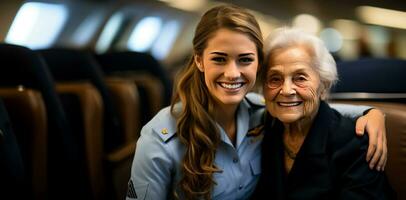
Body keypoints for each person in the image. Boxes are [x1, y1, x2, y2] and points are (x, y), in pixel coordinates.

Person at [127, 5, 387, 200]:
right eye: (219, 59)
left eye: (245, 59)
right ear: (198, 60)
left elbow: (305, 107)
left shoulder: (263, 115)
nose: (232, 73)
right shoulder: (159, 138)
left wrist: (371, 112)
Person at [252, 27, 395, 199]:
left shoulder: (356, 143)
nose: (287, 90)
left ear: (324, 86)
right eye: (275, 79)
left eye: (300, 78)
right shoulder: (263, 129)